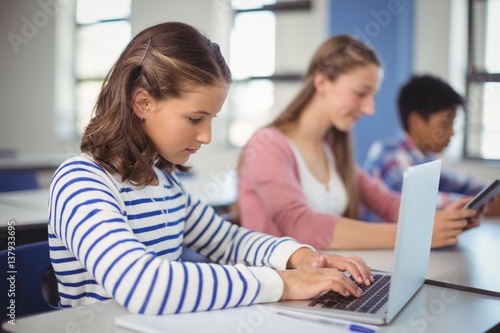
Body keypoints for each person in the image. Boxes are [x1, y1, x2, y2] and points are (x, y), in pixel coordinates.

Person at [48, 22, 374, 316]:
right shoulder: (81, 181)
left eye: (211, 119)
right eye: (195, 118)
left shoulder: (166, 184)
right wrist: (284, 283)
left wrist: (301, 256)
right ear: (143, 103)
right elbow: (144, 286)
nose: (206, 136)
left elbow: (229, 242)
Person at [237, 35, 479, 251]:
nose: (370, 109)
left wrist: (443, 219)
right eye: (361, 93)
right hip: (274, 289)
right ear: (322, 83)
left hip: (322, 281)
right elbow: (300, 225)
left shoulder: (329, 149)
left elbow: (386, 202)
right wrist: (414, 234)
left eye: (373, 96)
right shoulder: (267, 145)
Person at [363, 74, 489, 211]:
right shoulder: (389, 154)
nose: (452, 132)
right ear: (416, 121)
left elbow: (465, 185)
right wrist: (470, 203)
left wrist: (487, 193)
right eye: (446, 123)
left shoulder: (426, 159)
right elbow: (415, 203)